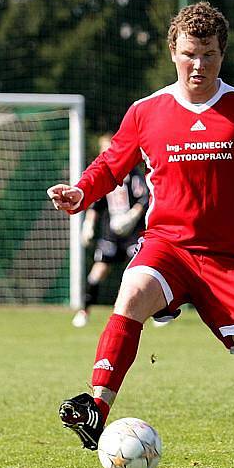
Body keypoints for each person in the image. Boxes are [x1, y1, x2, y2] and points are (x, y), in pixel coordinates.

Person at [47, 2, 234, 468]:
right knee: (130, 292)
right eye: (190, 54)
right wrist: (81, 191)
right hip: (168, 247)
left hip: (233, 259)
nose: (199, 65)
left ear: (221, 54)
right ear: (173, 51)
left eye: (209, 55)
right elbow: (113, 164)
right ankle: (96, 407)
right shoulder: (147, 111)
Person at [72, 134, 149, 328]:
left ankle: (154, 313)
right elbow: (95, 203)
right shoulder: (104, 175)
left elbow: (144, 197)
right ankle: (84, 311)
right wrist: (88, 224)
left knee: (141, 272)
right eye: (104, 149)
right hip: (111, 233)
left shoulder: (132, 173)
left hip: (133, 233)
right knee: (98, 270)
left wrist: (132, 216)